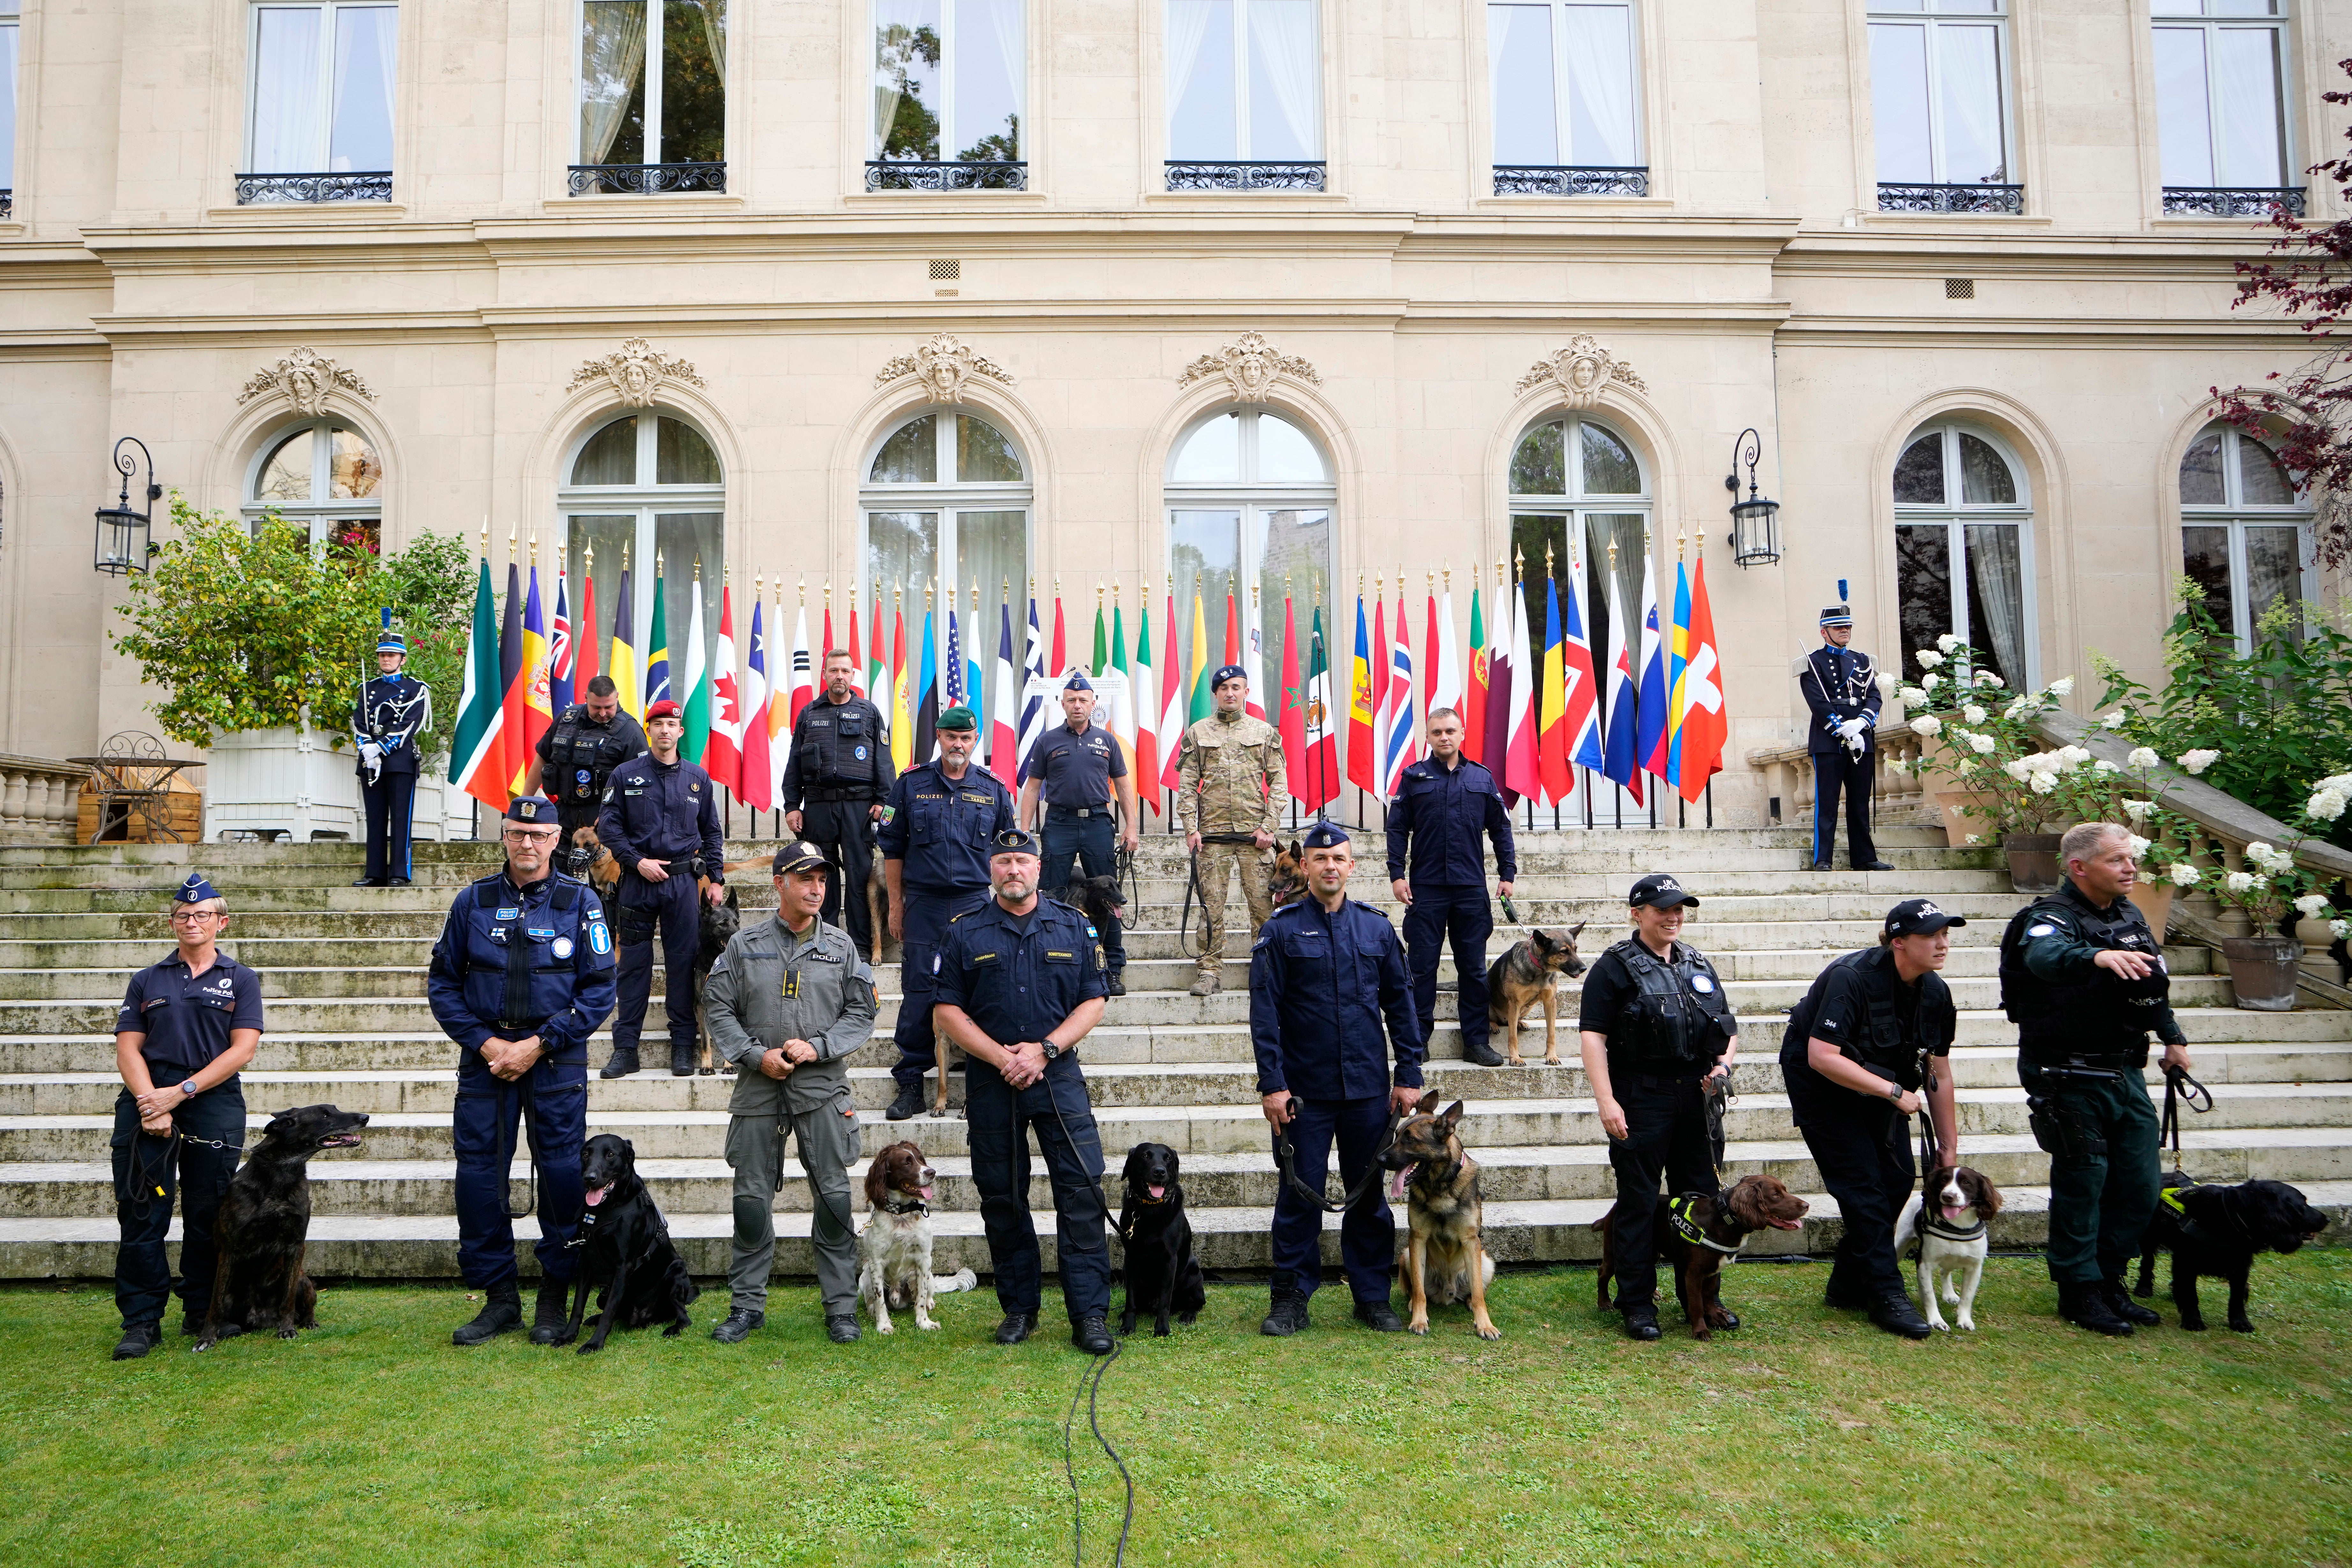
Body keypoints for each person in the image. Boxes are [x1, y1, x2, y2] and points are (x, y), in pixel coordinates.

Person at [426, 795, 617, 1346]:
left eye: (538, 835)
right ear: (505, 836)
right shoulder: (473, 901)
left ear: (557, 839)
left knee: (563, 1178)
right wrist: (487, 1044)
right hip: (486, 1061)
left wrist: (538, 1043)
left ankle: (554, 1296)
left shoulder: (580, 903)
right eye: (516, 833)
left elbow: (599, 989)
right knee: (480, 1179)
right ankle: (500, 1300)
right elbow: (443, 982)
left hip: (555, 1060)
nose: (527, 844)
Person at [2000, 820, 2192, 1336]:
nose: (2130, 868)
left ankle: (2111, 1280)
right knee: (2084, 1183)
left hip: (2124, 1070)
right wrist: (2096, 955)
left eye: (2130, 858)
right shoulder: (2047, 918)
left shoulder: (2129, 914)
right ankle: (2078, 1288)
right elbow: (2045, 958)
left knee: (2139, 1185)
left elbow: (2151, 983)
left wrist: (2173, 1038)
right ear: (2079, 867)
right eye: (2116, 860)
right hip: (2066, 1074)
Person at [931, 829, 1116, 1353]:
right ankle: (1020, 1309)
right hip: (993, 1083)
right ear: (992, 869)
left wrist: (1043, 1051)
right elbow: (947, 1009)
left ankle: (1090, 1315)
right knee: (1004, 1198)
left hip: (1057, 1078)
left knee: (1081, 1193)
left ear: (1038, 869)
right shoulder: (964, 932)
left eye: (1023, 861)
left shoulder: (1074, 926)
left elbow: (1093, 1000)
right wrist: (1003, 1058)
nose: (1014, 869)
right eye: (1005, 861)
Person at [1250, 820, 1423, 1336]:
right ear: (1305, 867)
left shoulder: (1375, 929)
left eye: (1339, 859)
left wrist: (1409, 1072)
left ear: (1351, 866)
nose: (1329, 867)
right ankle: (1290, 1297)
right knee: (1298, 1192)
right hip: (1302, 1091)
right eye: (1320, 859)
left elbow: (1400, 1003)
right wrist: (1272, 1084)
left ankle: (1371, 1295)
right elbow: (1265, 1013)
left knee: (1368, 1196)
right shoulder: (1280, 930)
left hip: (1368, 1090)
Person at [702, 840, 879, 1345]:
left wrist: (820, 1046)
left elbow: (862, 1012)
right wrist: (755, 1056)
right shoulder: (744, 944)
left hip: (822, 1090)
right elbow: (718, 1007)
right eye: (805, 879)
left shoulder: (842, 948)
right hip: (759, 1089)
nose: (816, 888)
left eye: (822, 880)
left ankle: (841, 1308)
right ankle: (747, 1306)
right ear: (779, 882)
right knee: (752, 1202)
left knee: (834, 1197)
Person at [1780, 898, 1965, 1338]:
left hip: (1882, 1086)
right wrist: (1895, 1092)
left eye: (1946, 935)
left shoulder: (1936, 992)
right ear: (1899, 943)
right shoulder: (1853, 978)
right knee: (1862, 1188)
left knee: (1898, 1180)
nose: (1942, 944)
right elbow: (1822, 1056)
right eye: (1931, 936)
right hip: (1823, 1085)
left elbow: (1938, 1070)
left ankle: (1847, 1284)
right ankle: (1886, 1292)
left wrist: (1948, 1146)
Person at [107, 873, 263, 1359]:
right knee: (142, 1213)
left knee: (208, 1214)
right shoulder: (148, 979)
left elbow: (243, 1049)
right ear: (172, 922)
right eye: (182, 915)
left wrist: (183, 1093)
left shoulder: (240, 978)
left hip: (211, 1099)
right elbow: (128, 1045)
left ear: (222, 922)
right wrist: (150, 1100)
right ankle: (140, 1321)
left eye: (201, 915)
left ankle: (203, 1310)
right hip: (147, 1097)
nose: (191, 922)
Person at [1577, 872, 1738, 1342]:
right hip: (1641, 1095)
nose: (1673, 917)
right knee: (1640, 1202)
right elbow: (1593, 1037)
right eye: (1663, 909)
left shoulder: (1696, 961)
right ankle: (1638, 1303)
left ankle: (1705, 1300)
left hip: (1696, 1095)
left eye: (1679, 909)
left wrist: (1723, 1067)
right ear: (1637, 913)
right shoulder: (1613, 967)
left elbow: (1726, 1028)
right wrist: (1607, 1101)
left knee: (1702, 1202)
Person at [877, 704, 1017, 1121]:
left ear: (975, 742)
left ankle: (978, 1074)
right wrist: (896, 905)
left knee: (978, 990)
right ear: (939, 737)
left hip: (976, 905)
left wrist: (1008, 910)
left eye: (967, 738)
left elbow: (1010, 852)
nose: (959, 744)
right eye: (952, 737)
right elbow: (893, 850)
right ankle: (911, 1082)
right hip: (924, 905)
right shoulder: (911, 785)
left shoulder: (993, 789)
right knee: (920, 990)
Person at [595, 697, 727, 1078]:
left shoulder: (697, 778)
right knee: (633, 967)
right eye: (658, 724)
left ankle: (683, 1047)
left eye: (672, 724)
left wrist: (715, 879)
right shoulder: (625, 775)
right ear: (648, 730)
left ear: (680, 732)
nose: (665, 730)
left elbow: (712, 832)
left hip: (684, 885)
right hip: (638, 883)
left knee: (683, 965)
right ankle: (626, 1050)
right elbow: (609, 827)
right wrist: (637, 862)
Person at [1385, 706, 1517, 1068]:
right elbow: (1396, 829)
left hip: (1470, 889)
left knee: (1473, 970)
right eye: (1437, 732)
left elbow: (1500, 829)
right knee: (1421, 967)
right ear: (1428, 738)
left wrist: (1507, 874)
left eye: (1450, 731)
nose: (1444, 737)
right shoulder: (1413, 778)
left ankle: (1475, 1042)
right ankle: (1416, 1042)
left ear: (1462, 735)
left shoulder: (1481, 778)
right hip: (1425, 888)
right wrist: (1397, 875)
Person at [1019, 673, 1135, 995]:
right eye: (1071, 700)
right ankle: (1048, 962)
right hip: (1059, 823)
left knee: (1109, 898)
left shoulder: (1107, 740)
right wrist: (1024, 832)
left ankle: (1112, 969)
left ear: (1093, 703)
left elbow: (1124, 786)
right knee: (1050, 895)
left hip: (1098, 822)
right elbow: (1032, 788)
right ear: (1062, 704)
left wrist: (1132, 827)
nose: (1077, 705)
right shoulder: (1048, 741)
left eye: (1083, 700)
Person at [1177, 665, 1285, 997]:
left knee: (1263, 908)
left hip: (1255, 838)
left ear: (1246, 692)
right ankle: (1209, 972)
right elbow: (1186, 785)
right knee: (1211, 908)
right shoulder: (1198, 732)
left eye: (1236, 687)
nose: (1230, 693)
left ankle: (1266, 972)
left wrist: (1269, 827)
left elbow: (1279, 783)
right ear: (1215, 693)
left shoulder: (1264, 732)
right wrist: (1190, 829)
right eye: (1224, 688)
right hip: (1212, 838)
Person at [781, 650, 895, 960]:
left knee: (859, 877)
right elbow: (794, 762)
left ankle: (858, 945)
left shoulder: (869, 713)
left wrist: (883, 800)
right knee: (821, 876)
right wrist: (792, 805)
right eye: (834, 671)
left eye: (845, 670)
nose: (839, 676)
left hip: (859, 807)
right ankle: (823, 939)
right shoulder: (809, 714)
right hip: (818, 807)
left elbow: (884, 761)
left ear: (853, 676)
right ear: (825, 674)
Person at [1798, 604, 1893, 873]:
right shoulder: (1812, 662)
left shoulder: (1862, 661)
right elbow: (1818, 703)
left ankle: (1864, 858)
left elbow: (1874, 696)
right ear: (1824, 632)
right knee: (1827, 803)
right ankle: (1823, 859)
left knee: (1860, 801)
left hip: (1861, 739)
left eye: (1848, 627)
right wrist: (1843, 730)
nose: (1845, 631)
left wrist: (1861, 724)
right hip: (1829, 741)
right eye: (1839, 627)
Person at [526, 674, 647, 870]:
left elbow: (641, 785)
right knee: (553, 875)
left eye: (609, 707)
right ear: (586, 698)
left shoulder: (630, 731)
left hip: (603, 818)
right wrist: (526, 802)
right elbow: (542, 758)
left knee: (599, 888)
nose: (603, 713)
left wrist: (615, 816)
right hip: (563, 814)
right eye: (596, 707)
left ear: (618, 697)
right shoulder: (566, 720)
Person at [352, 626, 433, 887]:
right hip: (370, 762)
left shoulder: (416, 689)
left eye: (392, 655)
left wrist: (380, 749)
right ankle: (374, 872)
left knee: (400, 819)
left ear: (403, 659)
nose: (386, 659)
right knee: (374, 818)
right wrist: (367, 749)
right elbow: (359, 723)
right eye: (382, 655)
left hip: (399, 762)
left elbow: (409, 726)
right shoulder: (367, 689)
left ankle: (400, 872)